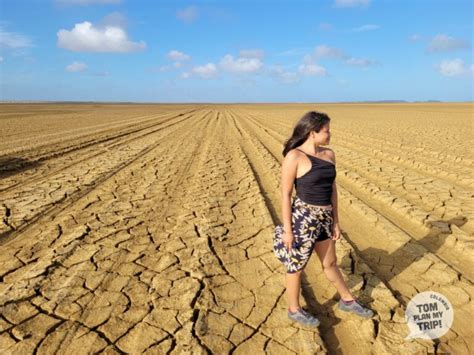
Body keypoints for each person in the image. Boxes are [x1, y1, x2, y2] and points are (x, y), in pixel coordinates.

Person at [273, 111, 374, 328]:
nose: (330, 134)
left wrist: (335, 221)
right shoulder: (295, 157)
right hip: (303, 219)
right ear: (312, 133)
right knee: (296, 266)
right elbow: (285, 194)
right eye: (326, 130)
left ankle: (347, 300)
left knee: (330, 263)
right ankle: (294, 309)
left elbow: (332, 189)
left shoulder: (329, 155)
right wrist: (288, 231)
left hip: (324, 218)